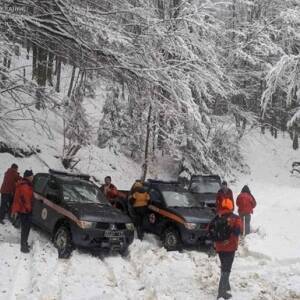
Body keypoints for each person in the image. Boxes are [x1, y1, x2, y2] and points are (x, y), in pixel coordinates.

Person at [211, 198, 242, 300]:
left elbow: (209, 229)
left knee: (224, 266)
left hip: (219, 247)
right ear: (231, 206)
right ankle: (221, 292)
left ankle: (226, 287)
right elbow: (238, 231)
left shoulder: (217, 217)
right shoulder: (236, 218)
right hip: (231, 246)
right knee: (226, 269)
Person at [11, 170, 34, 253]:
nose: (33, 177)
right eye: (32, 176)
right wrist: (29, 209)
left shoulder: (24, 184)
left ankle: (24, 243)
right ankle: (23, 247)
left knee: (25, 228)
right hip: (25, 211)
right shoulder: (25, 186)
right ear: (28, 177)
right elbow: (26, 199)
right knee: (25, 229)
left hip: (22, 209)